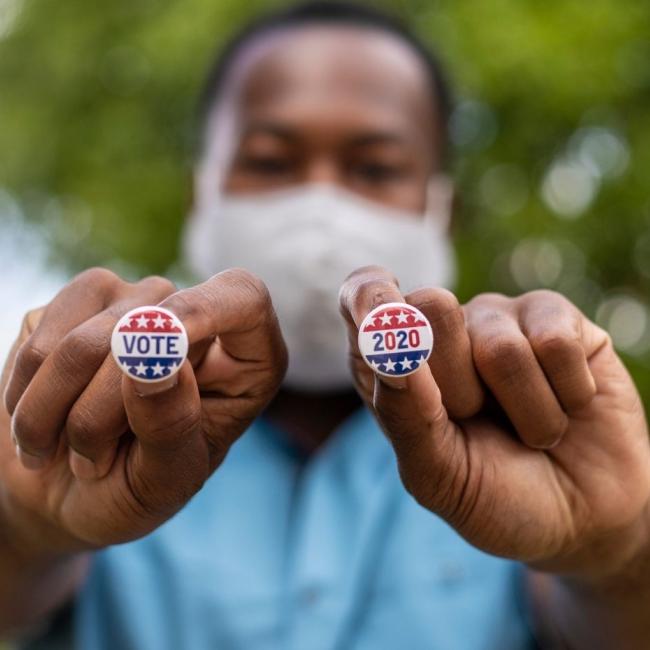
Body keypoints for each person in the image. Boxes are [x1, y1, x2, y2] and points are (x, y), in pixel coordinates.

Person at [2, 2, 649, 648]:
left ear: (440, 213)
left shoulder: (524, 436)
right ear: (202, 199)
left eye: (374, 168)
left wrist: (616, 559)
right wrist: (21, 527)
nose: (320, 207)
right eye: (270, 161)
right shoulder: (101, 432)